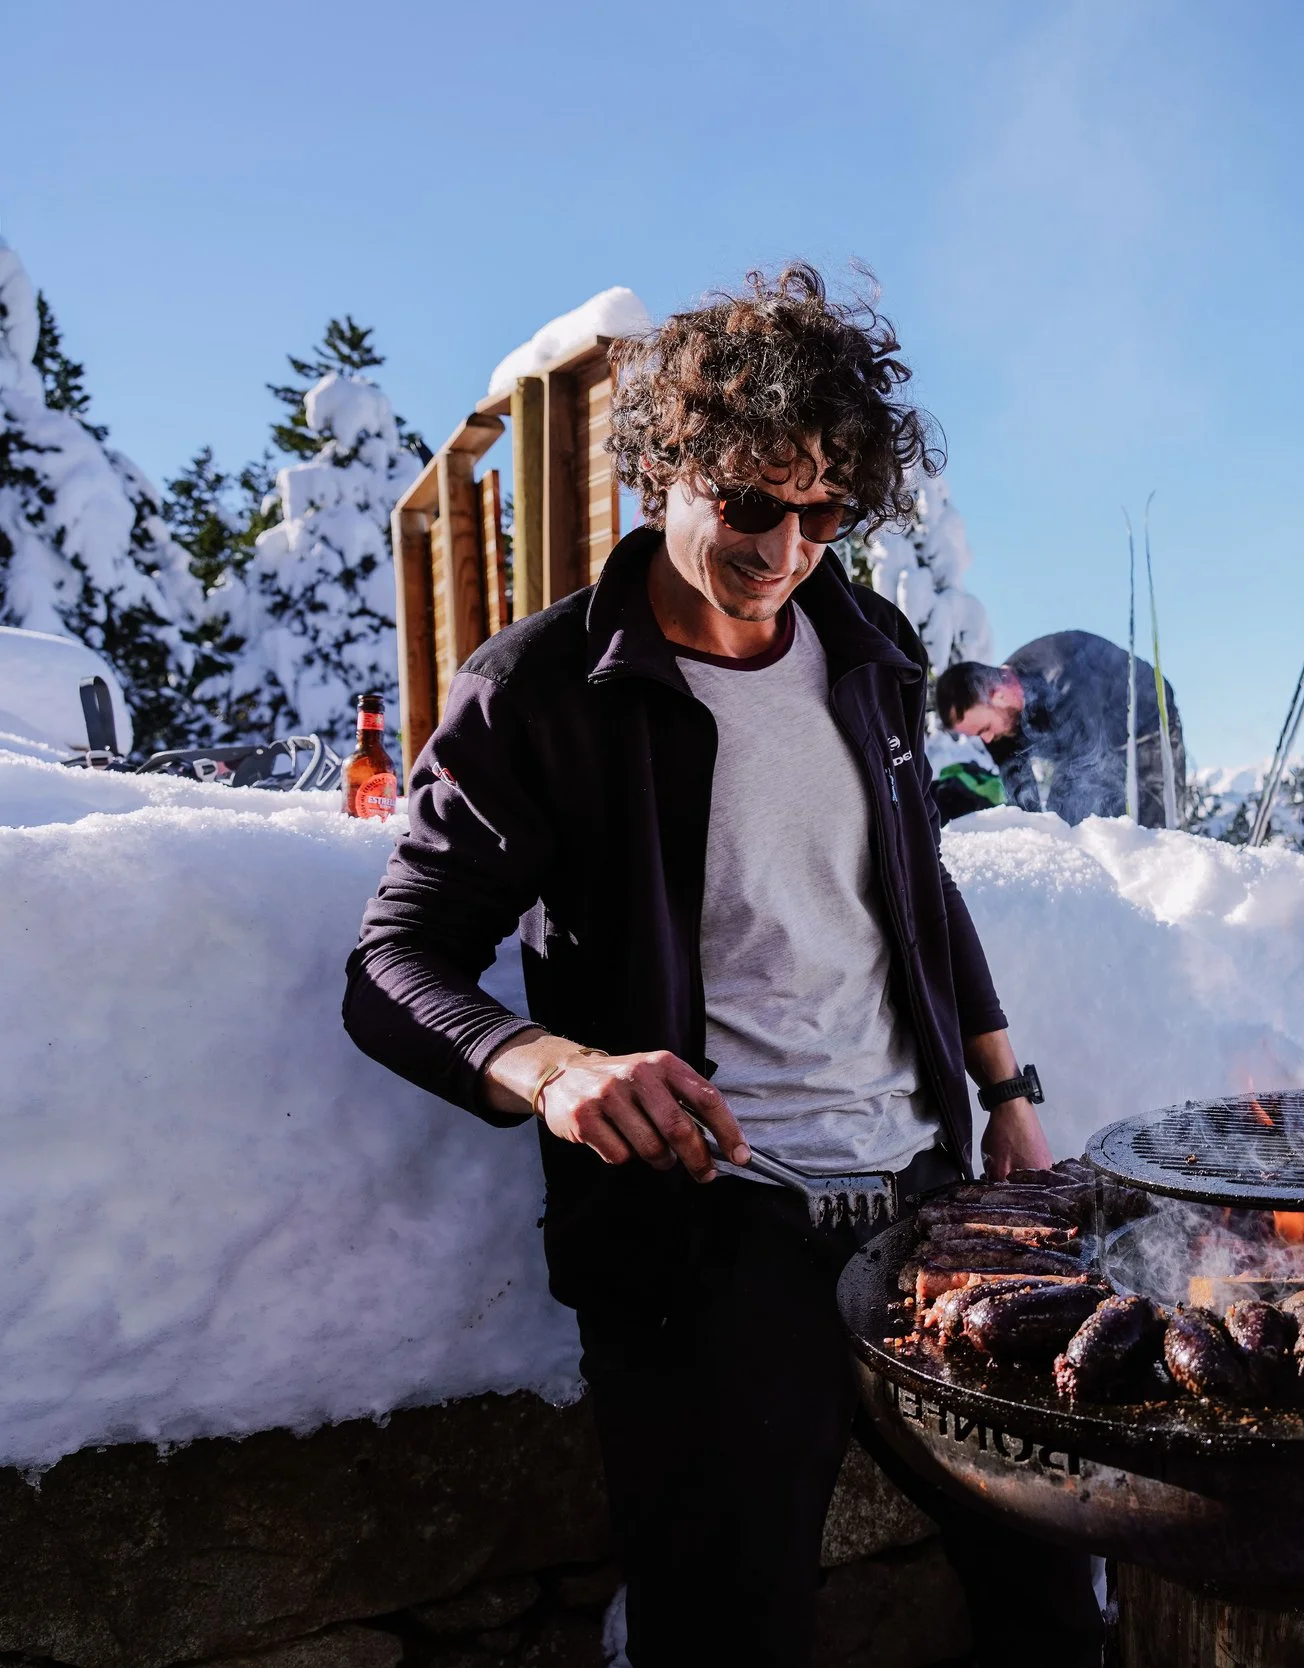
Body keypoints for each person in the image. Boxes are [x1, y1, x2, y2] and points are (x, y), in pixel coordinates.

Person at [341, 266, 1097, 1668]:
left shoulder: (866, 652)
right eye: (750, 502)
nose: (787, 545)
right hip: (710, 1243)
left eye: (824, 510)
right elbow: (395, 959)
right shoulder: (543, 692)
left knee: (1051, 1591)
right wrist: (549, 1068)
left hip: (928, 1204)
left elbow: (915, 885)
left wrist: (1007, 1090)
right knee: (730, 1635)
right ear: (659, 471)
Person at [936, 633, 1184, 826]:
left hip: (1148, 725)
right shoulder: (1000, 716)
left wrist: (1059, 835)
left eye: (985, 729)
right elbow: (1016, 780)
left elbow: (1084, 770)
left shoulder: (1065, 678)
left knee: (1152, 830)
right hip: (1090, 741)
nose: (987, 739)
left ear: (998, 695)